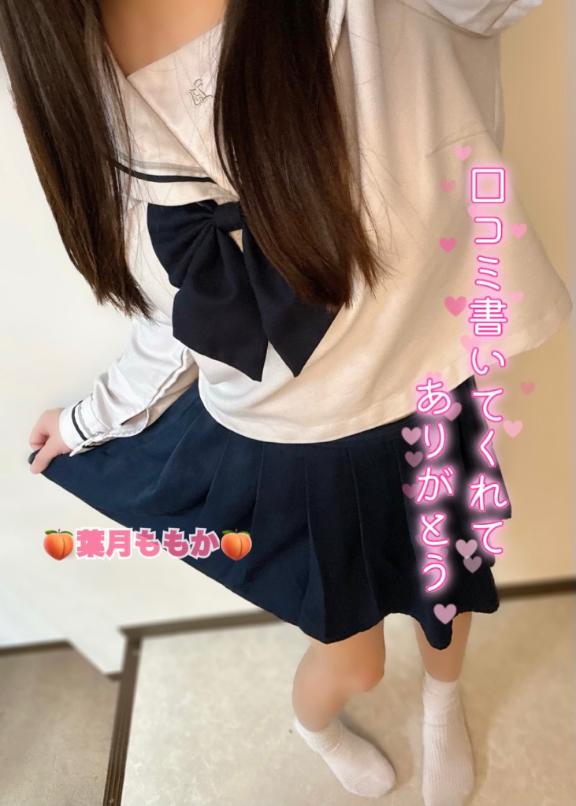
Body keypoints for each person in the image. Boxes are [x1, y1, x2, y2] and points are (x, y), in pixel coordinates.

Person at [1, 0, 570, 803]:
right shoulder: (81, 75)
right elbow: (181, 309)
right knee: (352, 656)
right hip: (294, 437)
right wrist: (87, 420)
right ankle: (316, 727)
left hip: (429, 375)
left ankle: (444, 707)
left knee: (450, 590)